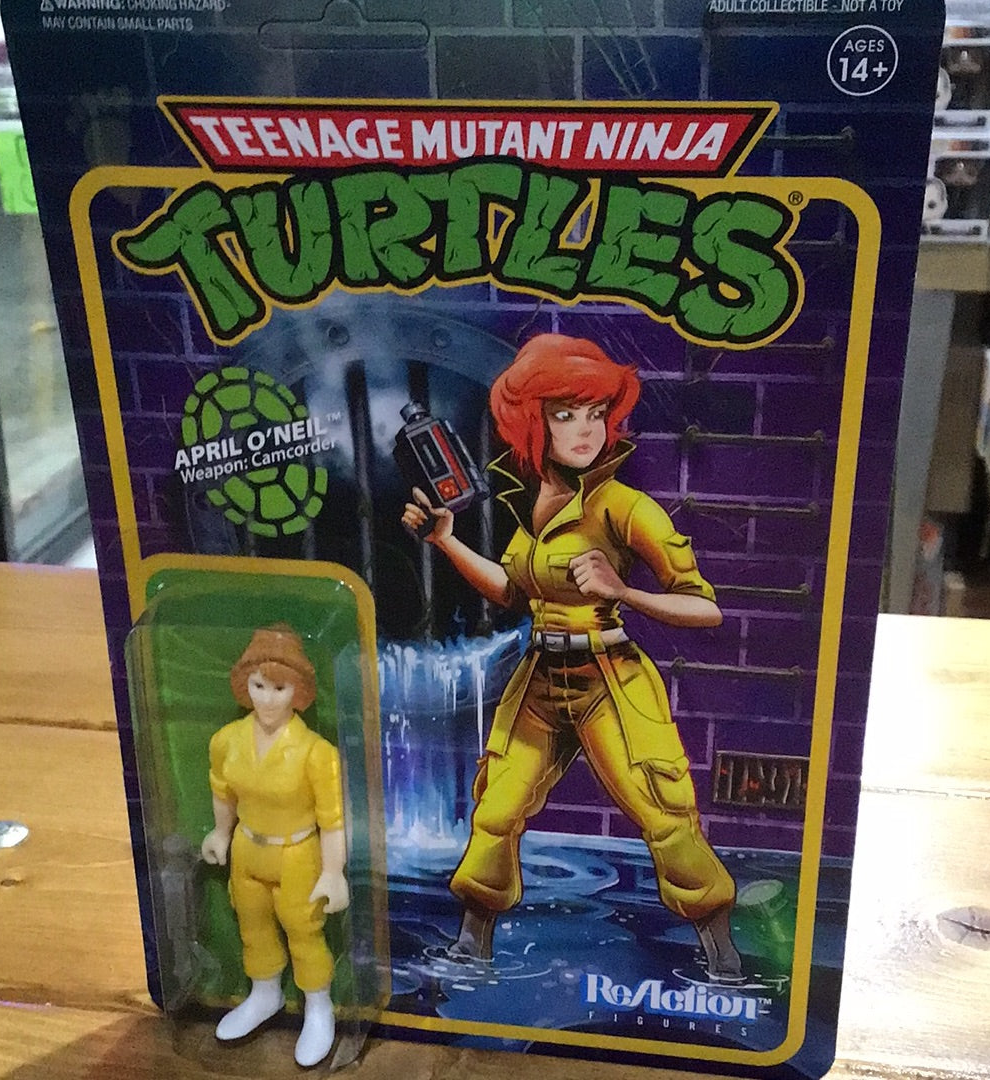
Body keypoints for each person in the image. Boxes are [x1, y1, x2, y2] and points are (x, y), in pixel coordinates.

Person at [401, 333, 742, 983]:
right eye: (565, 414)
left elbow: (705, 608)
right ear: (533, 421)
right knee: (496, 808)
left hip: (609, 676)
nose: (586, 429)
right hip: (539, 677)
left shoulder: (623, 507)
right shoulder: (529, 500)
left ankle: (723, 958)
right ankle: (472, 945)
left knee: (662, 810)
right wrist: (446, 540)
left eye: (595, 412)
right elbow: (510, 590)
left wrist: (623, 592)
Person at [200, 624, 350, 1065]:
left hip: (296, 852)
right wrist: (220, 832)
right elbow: (222, 792)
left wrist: (333, 872)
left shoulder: (315, 753)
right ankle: (264, 993)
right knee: (253, 924)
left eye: (279, 688)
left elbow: (333, 821)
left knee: (303, 930)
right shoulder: (227, 740)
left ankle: (318, 1006)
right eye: (258, 686)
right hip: (247, 847)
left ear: (297, 691)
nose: (267, 699)